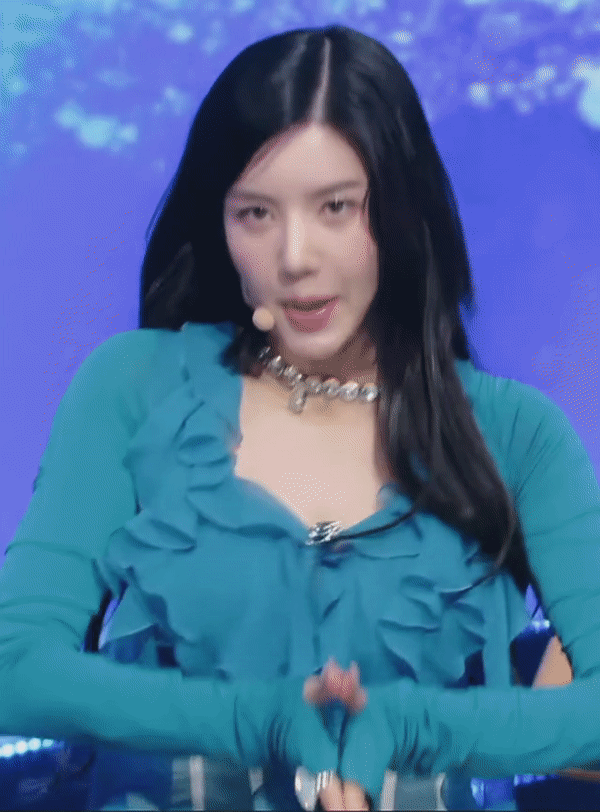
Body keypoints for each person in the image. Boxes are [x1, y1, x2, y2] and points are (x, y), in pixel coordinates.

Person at [1, 22, 599, 812]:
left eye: (336, 208)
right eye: (255, 214)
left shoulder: (517, 434)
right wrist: (258, 719)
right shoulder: (135, 387)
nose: (294, 257)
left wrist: (412, 726)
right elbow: (15, 668)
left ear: (403, 210)